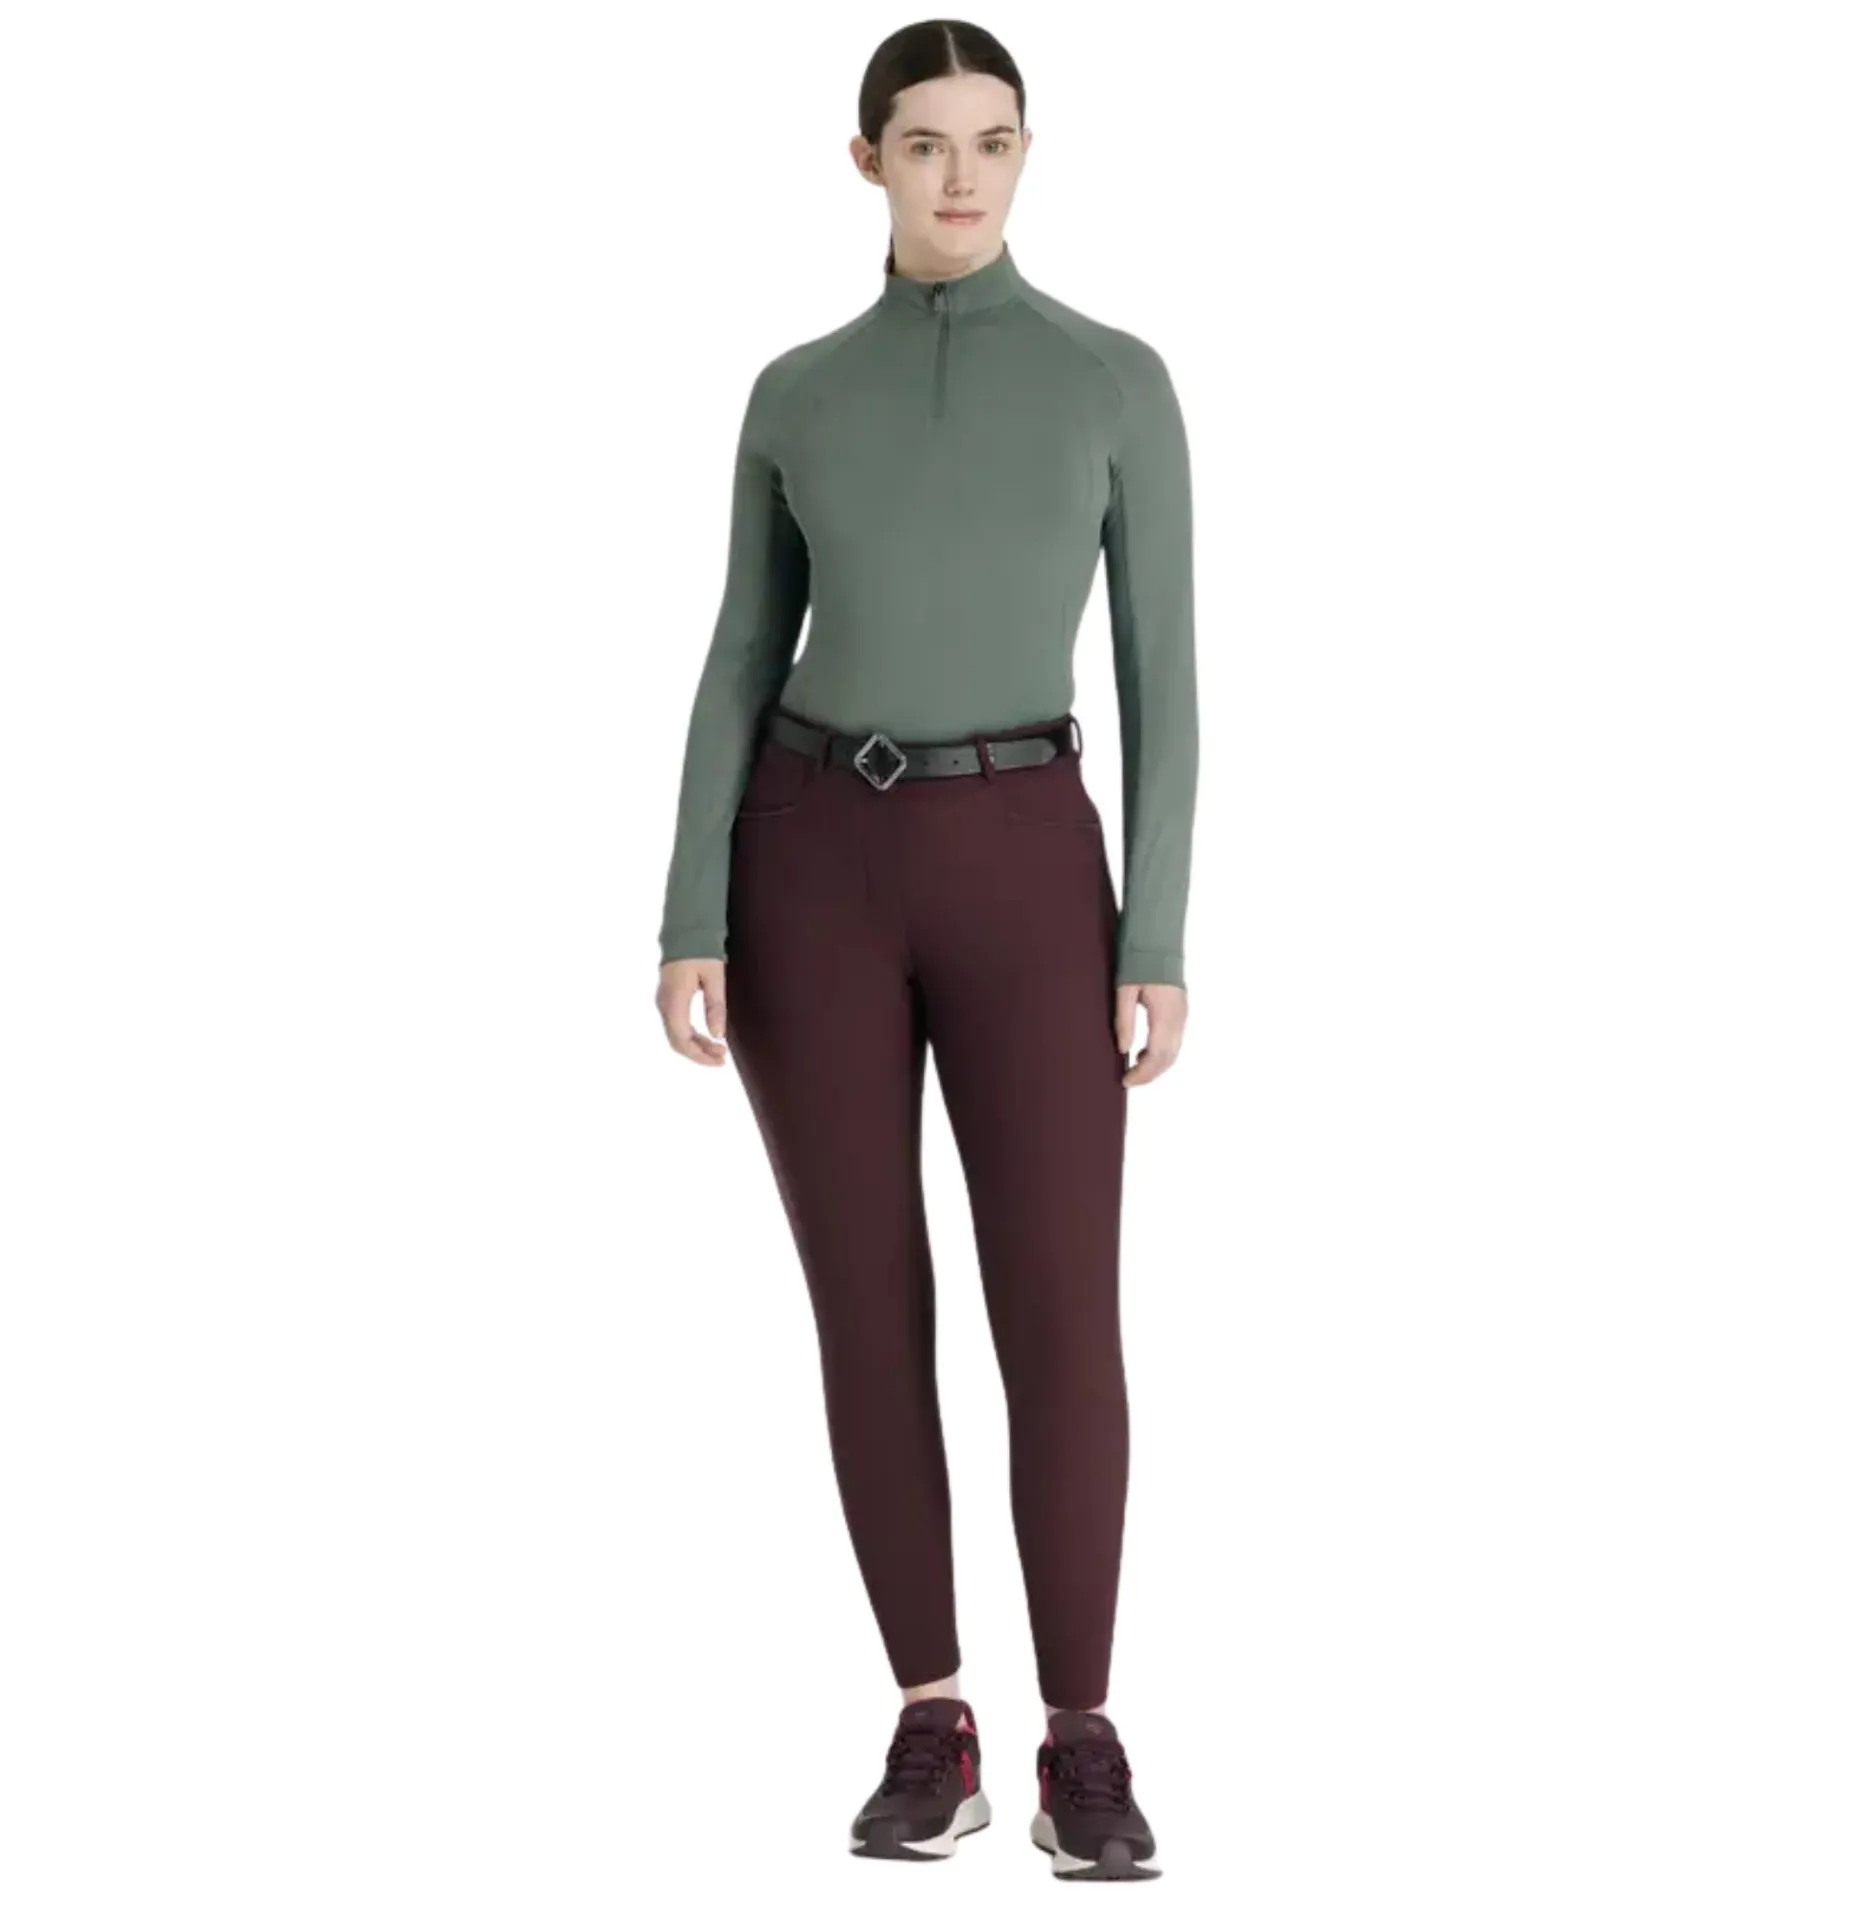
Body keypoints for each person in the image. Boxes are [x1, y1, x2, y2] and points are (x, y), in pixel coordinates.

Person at [654, 20, 1196, 1883]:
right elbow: (742, 652)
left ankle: (1082, 1737)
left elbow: (1167, 674)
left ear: (1027, 153)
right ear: (865, 159)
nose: (962, 175)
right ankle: (932, 1718)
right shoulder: (796, 393)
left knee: (1060, 1311)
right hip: (811, 861)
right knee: (867, 1305)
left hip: (1029, 860)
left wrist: (1157, 930)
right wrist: (691, 910)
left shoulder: (1114, 382)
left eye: (994, 140)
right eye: (925, 142)